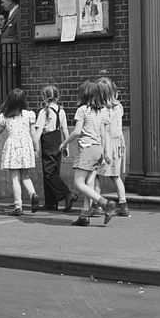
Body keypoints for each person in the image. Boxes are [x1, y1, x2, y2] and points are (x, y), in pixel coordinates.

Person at [61, 80, 116, 227]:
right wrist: (105, 153)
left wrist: (65, 143)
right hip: (98, 149)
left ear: (84, 94)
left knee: (78, 183)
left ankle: (105, 203)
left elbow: (77, 132)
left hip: (86, 148)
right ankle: (84, 216)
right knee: (89, 183)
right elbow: (104, 135)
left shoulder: (82, 110)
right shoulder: (102, 111)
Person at [0, 88, 40, 217]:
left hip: (13, 145)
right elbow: (33, 133)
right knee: (25, 176)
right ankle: (32, 194)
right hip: (26, 145)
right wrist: (36, 148)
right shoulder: (29, 114)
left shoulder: (5, 116)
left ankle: (18, 206)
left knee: (15, 178)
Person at [34, 84, 76, 212]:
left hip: (48, 141)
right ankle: (51, 203)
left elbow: (38, 132)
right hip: (58, 140)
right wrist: (66, 145)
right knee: (54, 171)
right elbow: (65, 129)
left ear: (44, 97)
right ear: (57, 96)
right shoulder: (61, 111)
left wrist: (35, 147)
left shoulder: (43, 112)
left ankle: (67, 194)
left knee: (49, 173)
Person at [96, 75, 130, 217]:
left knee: (95, 175)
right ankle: (123, 204)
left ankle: (95, 205)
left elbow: (103, 131)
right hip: (117, 145)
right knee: (116, 176)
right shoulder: (119, 107)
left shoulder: (101, 111)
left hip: (106, 145)